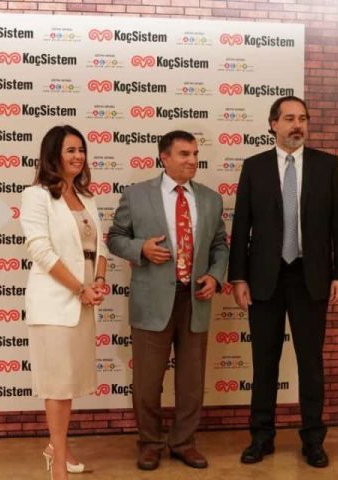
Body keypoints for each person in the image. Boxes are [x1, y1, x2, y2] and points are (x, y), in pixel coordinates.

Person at [228, 96, 338, 468]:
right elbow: (241, 226)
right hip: (264, 279)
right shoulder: (254, 167)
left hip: (310, 278)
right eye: (288, 118)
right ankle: (261, 437)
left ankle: (313, 440)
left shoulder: (327, 166)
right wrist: (238, 276)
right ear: (273, 124)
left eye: (302, 118)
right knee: (264, 363)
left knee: (310, 365)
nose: (297, 125)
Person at [107, 130, 229, 471]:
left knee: (191, 383)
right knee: (147, 383)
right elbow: (115, 238)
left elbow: (220, 245)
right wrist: (140, 248)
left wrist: (215, 276)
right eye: (184, 154)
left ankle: (184, 443)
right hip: (151, 302)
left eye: (195, 154)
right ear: (164, 157)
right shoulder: (136, 195)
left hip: (195, 300)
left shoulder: (210, 199)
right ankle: (149, 444)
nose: (192, 160)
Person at [20, 125, 108, 480]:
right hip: (54, 303)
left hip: (83, 303)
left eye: (81, 150)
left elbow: (99, 248)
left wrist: (98, 282)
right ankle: (57, 462)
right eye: (70, 150)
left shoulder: (87, 197)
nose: (78, 156)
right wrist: (79, 288)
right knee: (57, 386)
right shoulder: (36, 195)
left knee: (68, 384)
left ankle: (57, 447)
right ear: (53, 155)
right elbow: (40, 250)